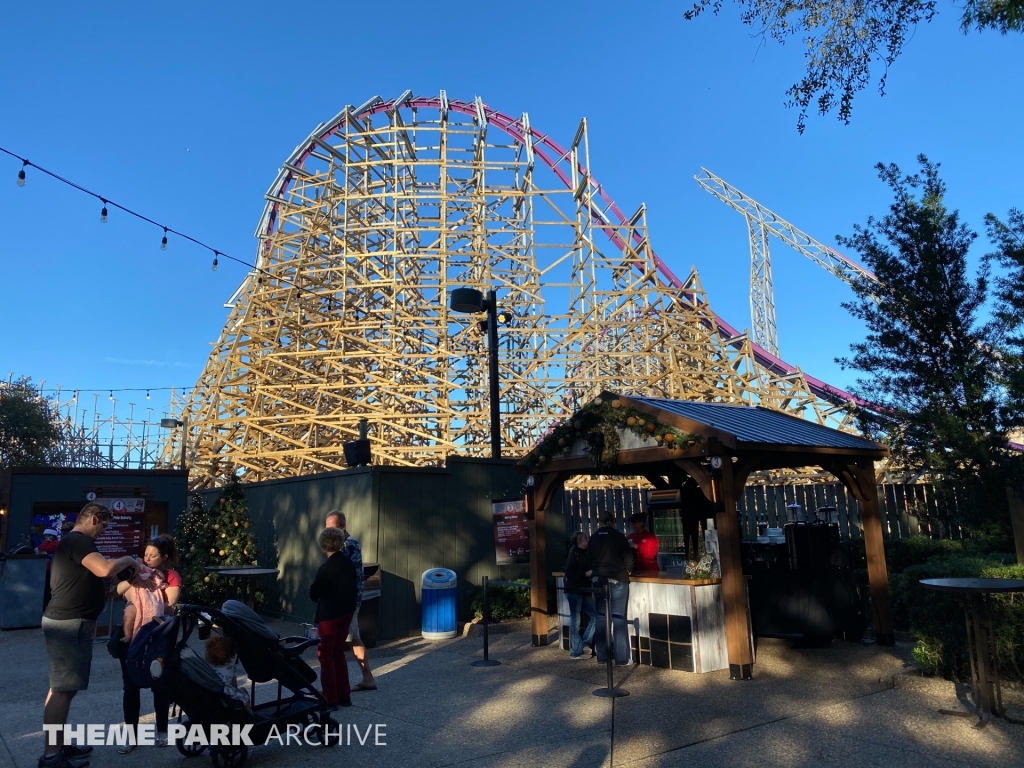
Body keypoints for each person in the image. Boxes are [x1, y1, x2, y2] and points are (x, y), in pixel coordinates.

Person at [40, 502, 139, 768]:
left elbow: (92, 576)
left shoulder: (71, 542)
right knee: (63, 689)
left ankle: (57, 745)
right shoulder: (80, 541)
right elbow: (104, 569)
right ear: (94, 518)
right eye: (104, 526)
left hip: (66, 622)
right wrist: (130, 560)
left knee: (61, 688)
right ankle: (51, 756)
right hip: (69, 624)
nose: (103, 532)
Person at [113, 535, 181, 752]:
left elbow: (169, 606)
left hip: (157, 638)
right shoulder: (136, 570)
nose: (148, 559)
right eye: (146, 555)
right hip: (133, 637)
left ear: (165, 557)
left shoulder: (170, 576)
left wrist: (151, 596)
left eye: (153, 555)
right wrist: (134, 581)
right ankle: (131, 736)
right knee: (130, 687)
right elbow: (119, 590)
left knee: (159, 684)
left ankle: (162, 731)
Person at [324, 510, 377, 691]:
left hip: (347, 601)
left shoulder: (349, 545)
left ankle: (337, 687)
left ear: (343, 526)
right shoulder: (339, 544)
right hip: (343, 600)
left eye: (334, 528)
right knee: (353, 638)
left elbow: (342, 574)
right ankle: (366, 678)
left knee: (339, 643)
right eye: (327, 529)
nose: (329, 533)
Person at [310, 527, 359, 709]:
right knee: (339, 652)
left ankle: (330, 698)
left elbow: (315, 594)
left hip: (329, 615)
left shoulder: (325, 569)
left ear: (323, 545)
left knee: (326, 655)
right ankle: (344, 695)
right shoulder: (348, 564)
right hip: (346, 612)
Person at [588, 510, 635, 667]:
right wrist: (628, 570)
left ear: (599, 521)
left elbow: (589, 558)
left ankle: (602, 656)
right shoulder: (618, 536)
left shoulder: (593, 537)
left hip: (598, 578)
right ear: (613, 521)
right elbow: (628, 555)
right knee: (618, 618)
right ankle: (621, 658)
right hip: (617, 577)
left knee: (601, 618)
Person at [563, 531, 597, 660]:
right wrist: (585, 574)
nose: (587, 540)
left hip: (582, 590)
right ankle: (576, 650)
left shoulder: (582, 553)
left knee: (596, 615)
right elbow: (569, 572)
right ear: (579, 541)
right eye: (585, 539)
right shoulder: (574, 553)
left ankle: (583, 644)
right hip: (575, 590)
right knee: (576, 621)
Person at [205, 634, 251, 709]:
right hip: (229, 699)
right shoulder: (230, 669)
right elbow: (234, 685)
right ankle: (249, 714)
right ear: (229, 656)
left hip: (216, 698)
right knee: (244, 692)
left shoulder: (209, 669)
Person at [38, 528, 60, 610]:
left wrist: (46, 542)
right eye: (45, 536)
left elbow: (44, 549)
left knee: (48, 587)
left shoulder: (55, 543)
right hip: (48, 567)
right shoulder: (52, 542)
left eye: (48, 536)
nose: (46, 537)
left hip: (51, 567)